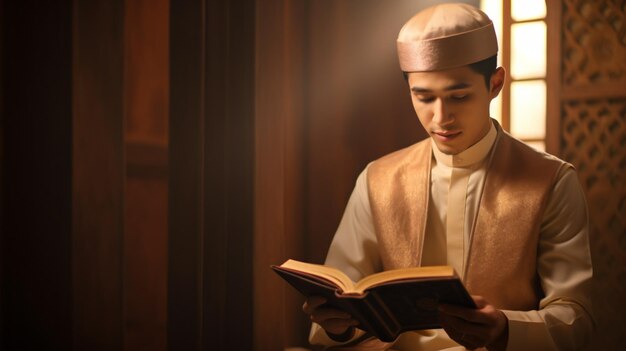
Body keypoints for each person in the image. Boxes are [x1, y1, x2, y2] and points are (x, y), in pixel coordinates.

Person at [302, 3, 594, 351]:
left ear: (495, 83)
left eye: (459, 96)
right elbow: (345, 294)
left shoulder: (552, 180)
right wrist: (338, 326)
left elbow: (577, 318)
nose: (441, 118)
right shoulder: (378, 179)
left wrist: (505, 328)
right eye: (423, 97)